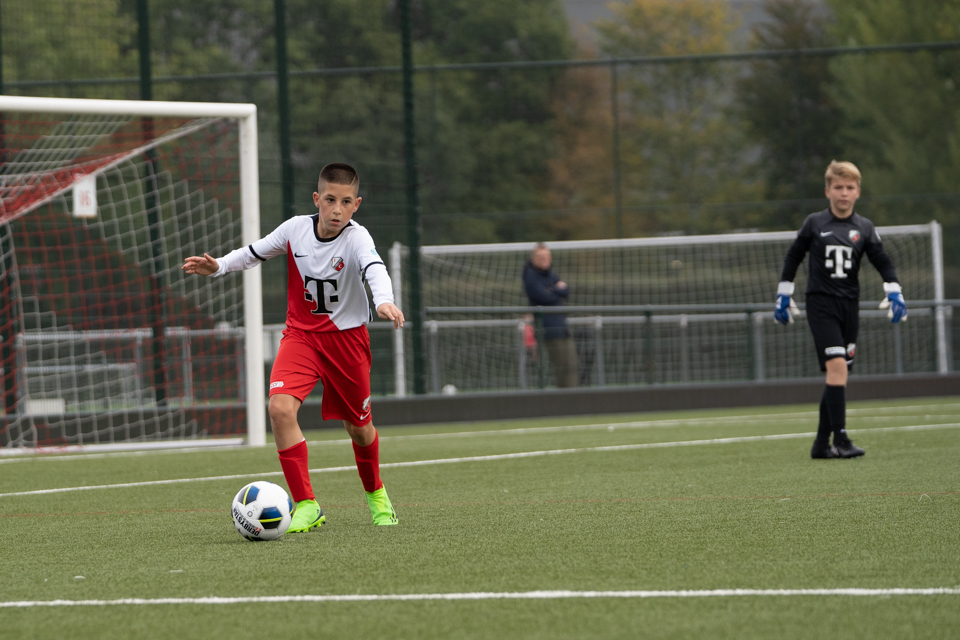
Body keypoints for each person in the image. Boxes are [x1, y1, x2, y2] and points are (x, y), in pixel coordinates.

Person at [182, 163, 404, 530]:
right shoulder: (295, 229)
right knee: (280, 409)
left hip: (347, 342)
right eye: (330, 199)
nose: (336, 209)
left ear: (356, 205)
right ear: (317, 199)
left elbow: (374, 267)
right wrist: (218, 265)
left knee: (359, 428)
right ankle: (306, 503)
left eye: (345, 202)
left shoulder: (357, 238)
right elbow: (254, 252)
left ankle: (377, 494)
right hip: (301, 337)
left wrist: (384, 299)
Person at [774, 160, 907, 460]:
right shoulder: (815, 223)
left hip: (850, 306)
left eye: (849, 187)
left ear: (858, 192)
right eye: (838, 187)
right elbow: (793, 257)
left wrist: (894, 288)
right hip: (821, 304)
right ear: (827, 191)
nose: (843, 193)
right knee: (837, 367)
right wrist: (784, 293)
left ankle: (821, 445)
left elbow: (882, 260)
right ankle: (841, 439)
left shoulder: (864, 227)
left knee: (839, 373)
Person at [522, 243, 578, 388]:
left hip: (561, 325)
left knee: (571, 364)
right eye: (541, 257)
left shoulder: (550, 274)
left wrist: (552, 290)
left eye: (547, 257)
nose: (544, 260)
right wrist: (556, 289)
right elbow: (544, 296)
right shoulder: (531, 275)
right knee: (561, 365)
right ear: (534, 258)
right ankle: (565, 400)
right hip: (549, 327)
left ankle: (573, 398)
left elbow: (566, 292)